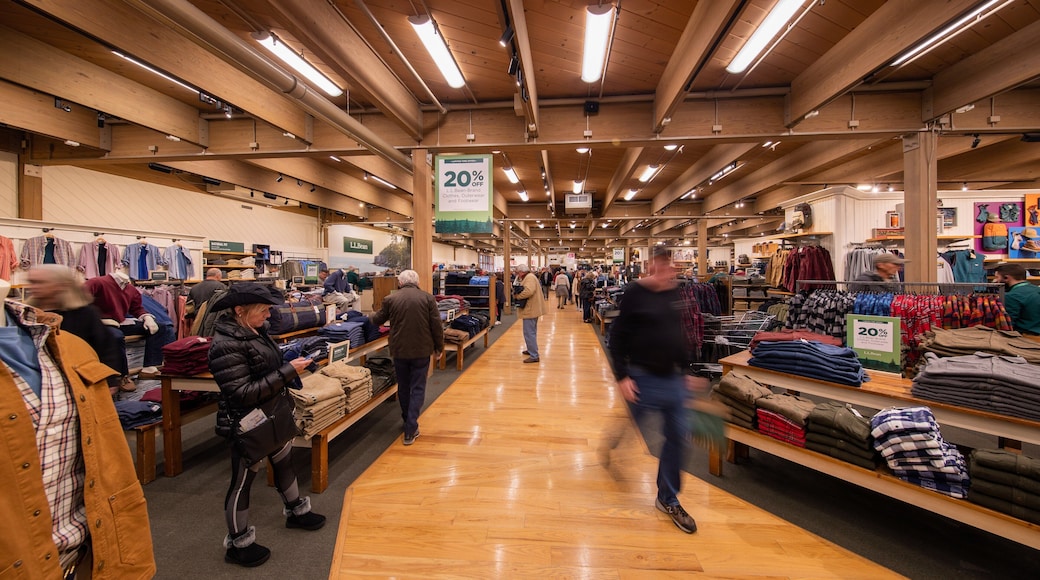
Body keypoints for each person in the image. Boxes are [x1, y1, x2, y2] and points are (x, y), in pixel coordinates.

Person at [0, 278, 157, 578]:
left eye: (40, 281)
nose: (36, 284)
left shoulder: (67, 345)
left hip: (91, 554)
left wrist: (111, 382)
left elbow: (109, 468)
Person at [207, 283, 325, 567]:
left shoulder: (255, 332)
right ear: (240, 311)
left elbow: (265, 366)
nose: (269, 315)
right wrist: (287, 371)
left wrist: (290, 362)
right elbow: (242, 393)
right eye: (263, 310)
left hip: (273, 412)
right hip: (248, 423)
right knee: (242, 481)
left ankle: (296, 511)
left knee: (285, 462)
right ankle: (238, 542)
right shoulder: (225, 345)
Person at [607, 247, 700, 534]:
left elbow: (678, 334)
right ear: (650, 267)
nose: (665, 272)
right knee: (635, 419)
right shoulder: (636, 292)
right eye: (659, 266)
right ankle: (612, 441)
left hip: (671, 379)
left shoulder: (675, 293)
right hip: (642, 375)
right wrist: (622, 376)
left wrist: (686, 371)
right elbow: (618, 335)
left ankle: (667, 497)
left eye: (668, 267)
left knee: (678, 437)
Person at [369, 270, 444, 445]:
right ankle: (411, 427)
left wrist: (369, 316)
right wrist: (439, 347)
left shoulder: (391, 299)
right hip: (422, 350)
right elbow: (436, 326)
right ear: (417, 282)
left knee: (403, 386)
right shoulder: (427, 298)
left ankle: (407, 420)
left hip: (399, 350)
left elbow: (378, 320)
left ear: (400, 282)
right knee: (418, 387)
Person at [26, 264, 126, 393]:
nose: (32, 287)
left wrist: (109, 380)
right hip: (38, 383)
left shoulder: (85, 314)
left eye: (39, 283)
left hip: (77, 382)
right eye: (31, 282)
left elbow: (105, 347)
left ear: (59, 285)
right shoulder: (26, 314)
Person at [85, 269, 175, 379]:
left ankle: (150, 366)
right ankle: (122, 376)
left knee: (162, 328)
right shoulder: (97, 282)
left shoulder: (131, 289)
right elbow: (80, 302)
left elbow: (136, 308)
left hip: (119, 323)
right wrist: (99, 319)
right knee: (116, 337)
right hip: (99, 324)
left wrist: (146, 317)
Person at [993, 262, 1040, 335]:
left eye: (997, 277)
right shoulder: (1037, 290)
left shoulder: (1011, 296)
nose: (996, 281)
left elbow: (1008, 325)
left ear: (1006, 278)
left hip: (1027, 339)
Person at [513, 263, 544, 363]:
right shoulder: (530, 277)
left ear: (522, 272)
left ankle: (534, 355)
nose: (517, 274)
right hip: (532, 309)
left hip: (530, 309)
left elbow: (529, 291)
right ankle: (531, 349)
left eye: (518, 272)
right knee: (531, 332)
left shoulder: (529, 278)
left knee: (529, 332)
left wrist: (517, 296)